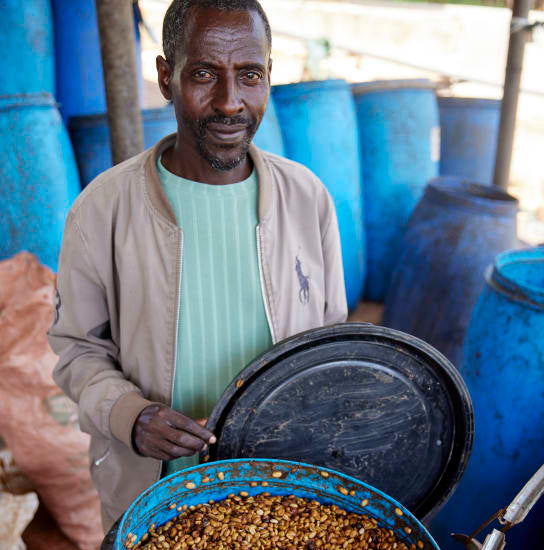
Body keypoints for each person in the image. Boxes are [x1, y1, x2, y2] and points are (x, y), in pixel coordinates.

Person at [48, 0, 347, 532]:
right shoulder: (103, 209)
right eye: (205, 74)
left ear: (269, 78)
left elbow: (330, 349)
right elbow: (77, 351)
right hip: (150, 503)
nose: (230, 102)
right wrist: (130, 415)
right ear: (166, 77)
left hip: (282, 497)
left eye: (249, 75)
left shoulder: (307, 199)